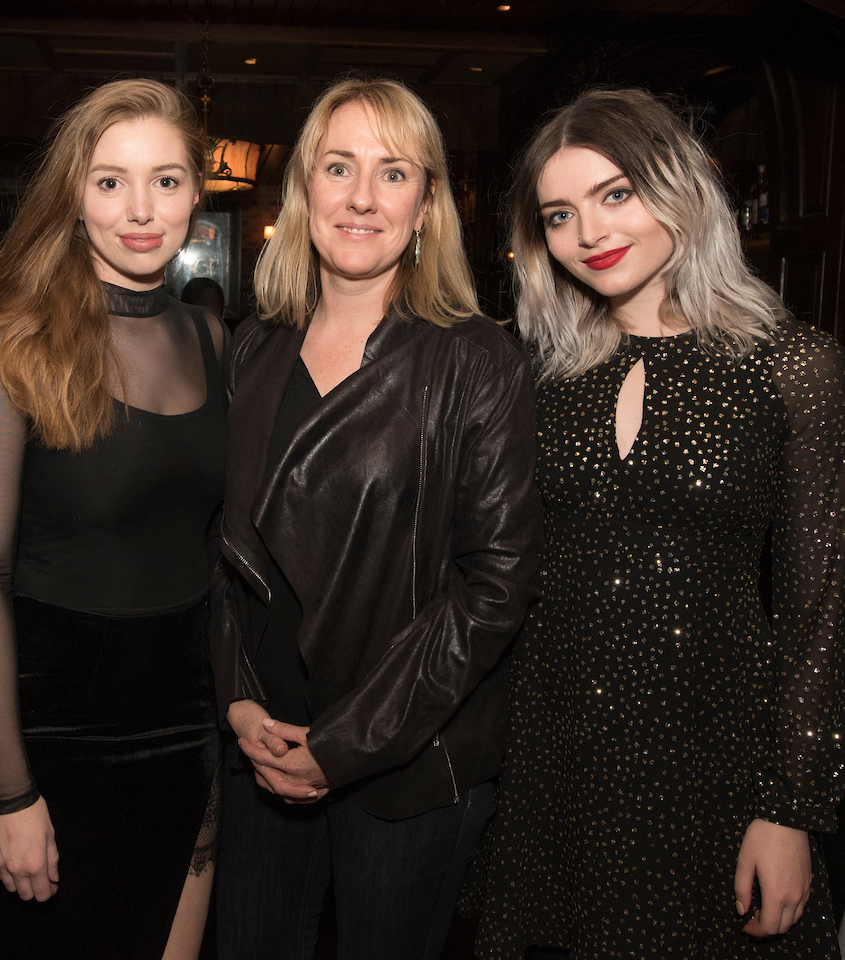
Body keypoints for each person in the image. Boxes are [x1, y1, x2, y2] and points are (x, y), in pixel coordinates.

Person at [467, 87, 845, 958]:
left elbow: (823, 614)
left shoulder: (794, 366)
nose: (591, 234)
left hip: (715, 758)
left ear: (680, 188)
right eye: (560, 214)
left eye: (617, 194)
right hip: (557, 752)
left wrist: (791, 810)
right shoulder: (537, 373)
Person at [211, 76, 543, 960]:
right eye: (339, 167)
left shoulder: (478, 360)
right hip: (261, 746)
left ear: (427, 203)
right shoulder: (255, 345)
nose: (361, 197)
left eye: (393, 173)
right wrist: (236, 697)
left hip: (406, 768)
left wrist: (347, 743)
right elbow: (219, 551)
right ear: (304, 192)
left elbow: (495, 589)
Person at [0, 78, 225, 960]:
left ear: (197, 196)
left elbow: (216, 547)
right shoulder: (8, 349)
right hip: (45, 726)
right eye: (110, 182)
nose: (141, 210)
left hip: (182, 718)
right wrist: (7, 790)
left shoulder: (214, 341)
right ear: (74, 196)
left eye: (166, 181)